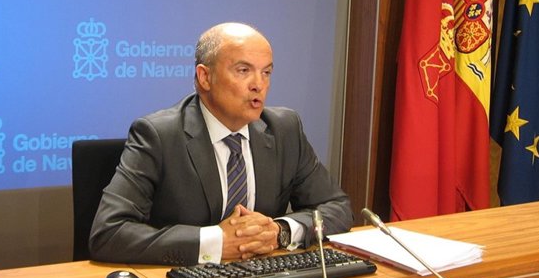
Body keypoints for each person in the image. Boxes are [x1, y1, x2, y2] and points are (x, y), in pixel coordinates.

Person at [89, 22, 353, 265]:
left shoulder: (285, 129)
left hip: (261, 276)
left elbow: (337, 208)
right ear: (205, 77)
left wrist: (279, 231)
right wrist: (216, 242)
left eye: (266, 72)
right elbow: (109, 233)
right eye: (243, 70)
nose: (258, 85)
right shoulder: (158, 135)